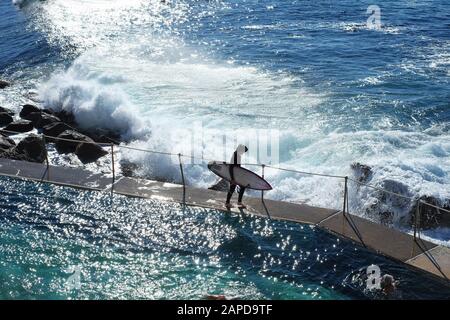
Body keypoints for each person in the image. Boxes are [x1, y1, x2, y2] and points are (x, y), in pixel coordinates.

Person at [225, 144, 248, 208]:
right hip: (233, 176)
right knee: (232, 188)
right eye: (243, 151)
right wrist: (232, 179)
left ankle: (239, 202)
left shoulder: (238, 155)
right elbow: (231, 167)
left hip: (236, 175)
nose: (243, 153)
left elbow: (237, 167)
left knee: (242, 186)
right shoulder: (236, 155)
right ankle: (227, 203)